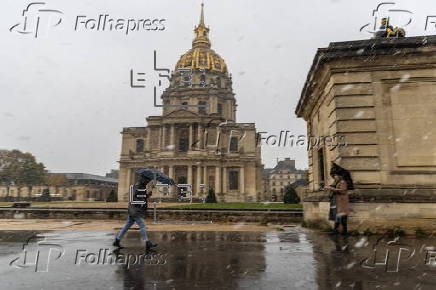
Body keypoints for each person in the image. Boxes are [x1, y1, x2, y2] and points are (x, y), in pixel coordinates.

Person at [113, 175, 158, 250]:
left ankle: (117, 240)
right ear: (143, 180)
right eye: (146, 181)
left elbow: (140, 196)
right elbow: (134, 197)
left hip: (134, 210)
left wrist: (147, 195)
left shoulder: (140, 187)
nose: (147, 182)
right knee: (142, 225)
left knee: (126, 226)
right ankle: (147, 242)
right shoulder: (137, 187)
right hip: (135, 210)